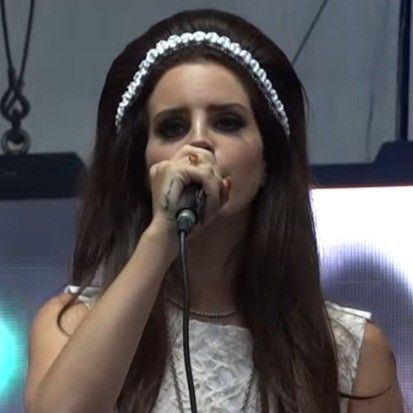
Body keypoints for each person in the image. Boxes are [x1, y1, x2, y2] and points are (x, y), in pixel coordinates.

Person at [24, 8, 404, 413]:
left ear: (267, 163)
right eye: (172, 127)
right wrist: (161, 238)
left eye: (226, 122)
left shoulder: (350, 353)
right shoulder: (70, 326)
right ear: (142, 165)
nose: (199, 143)